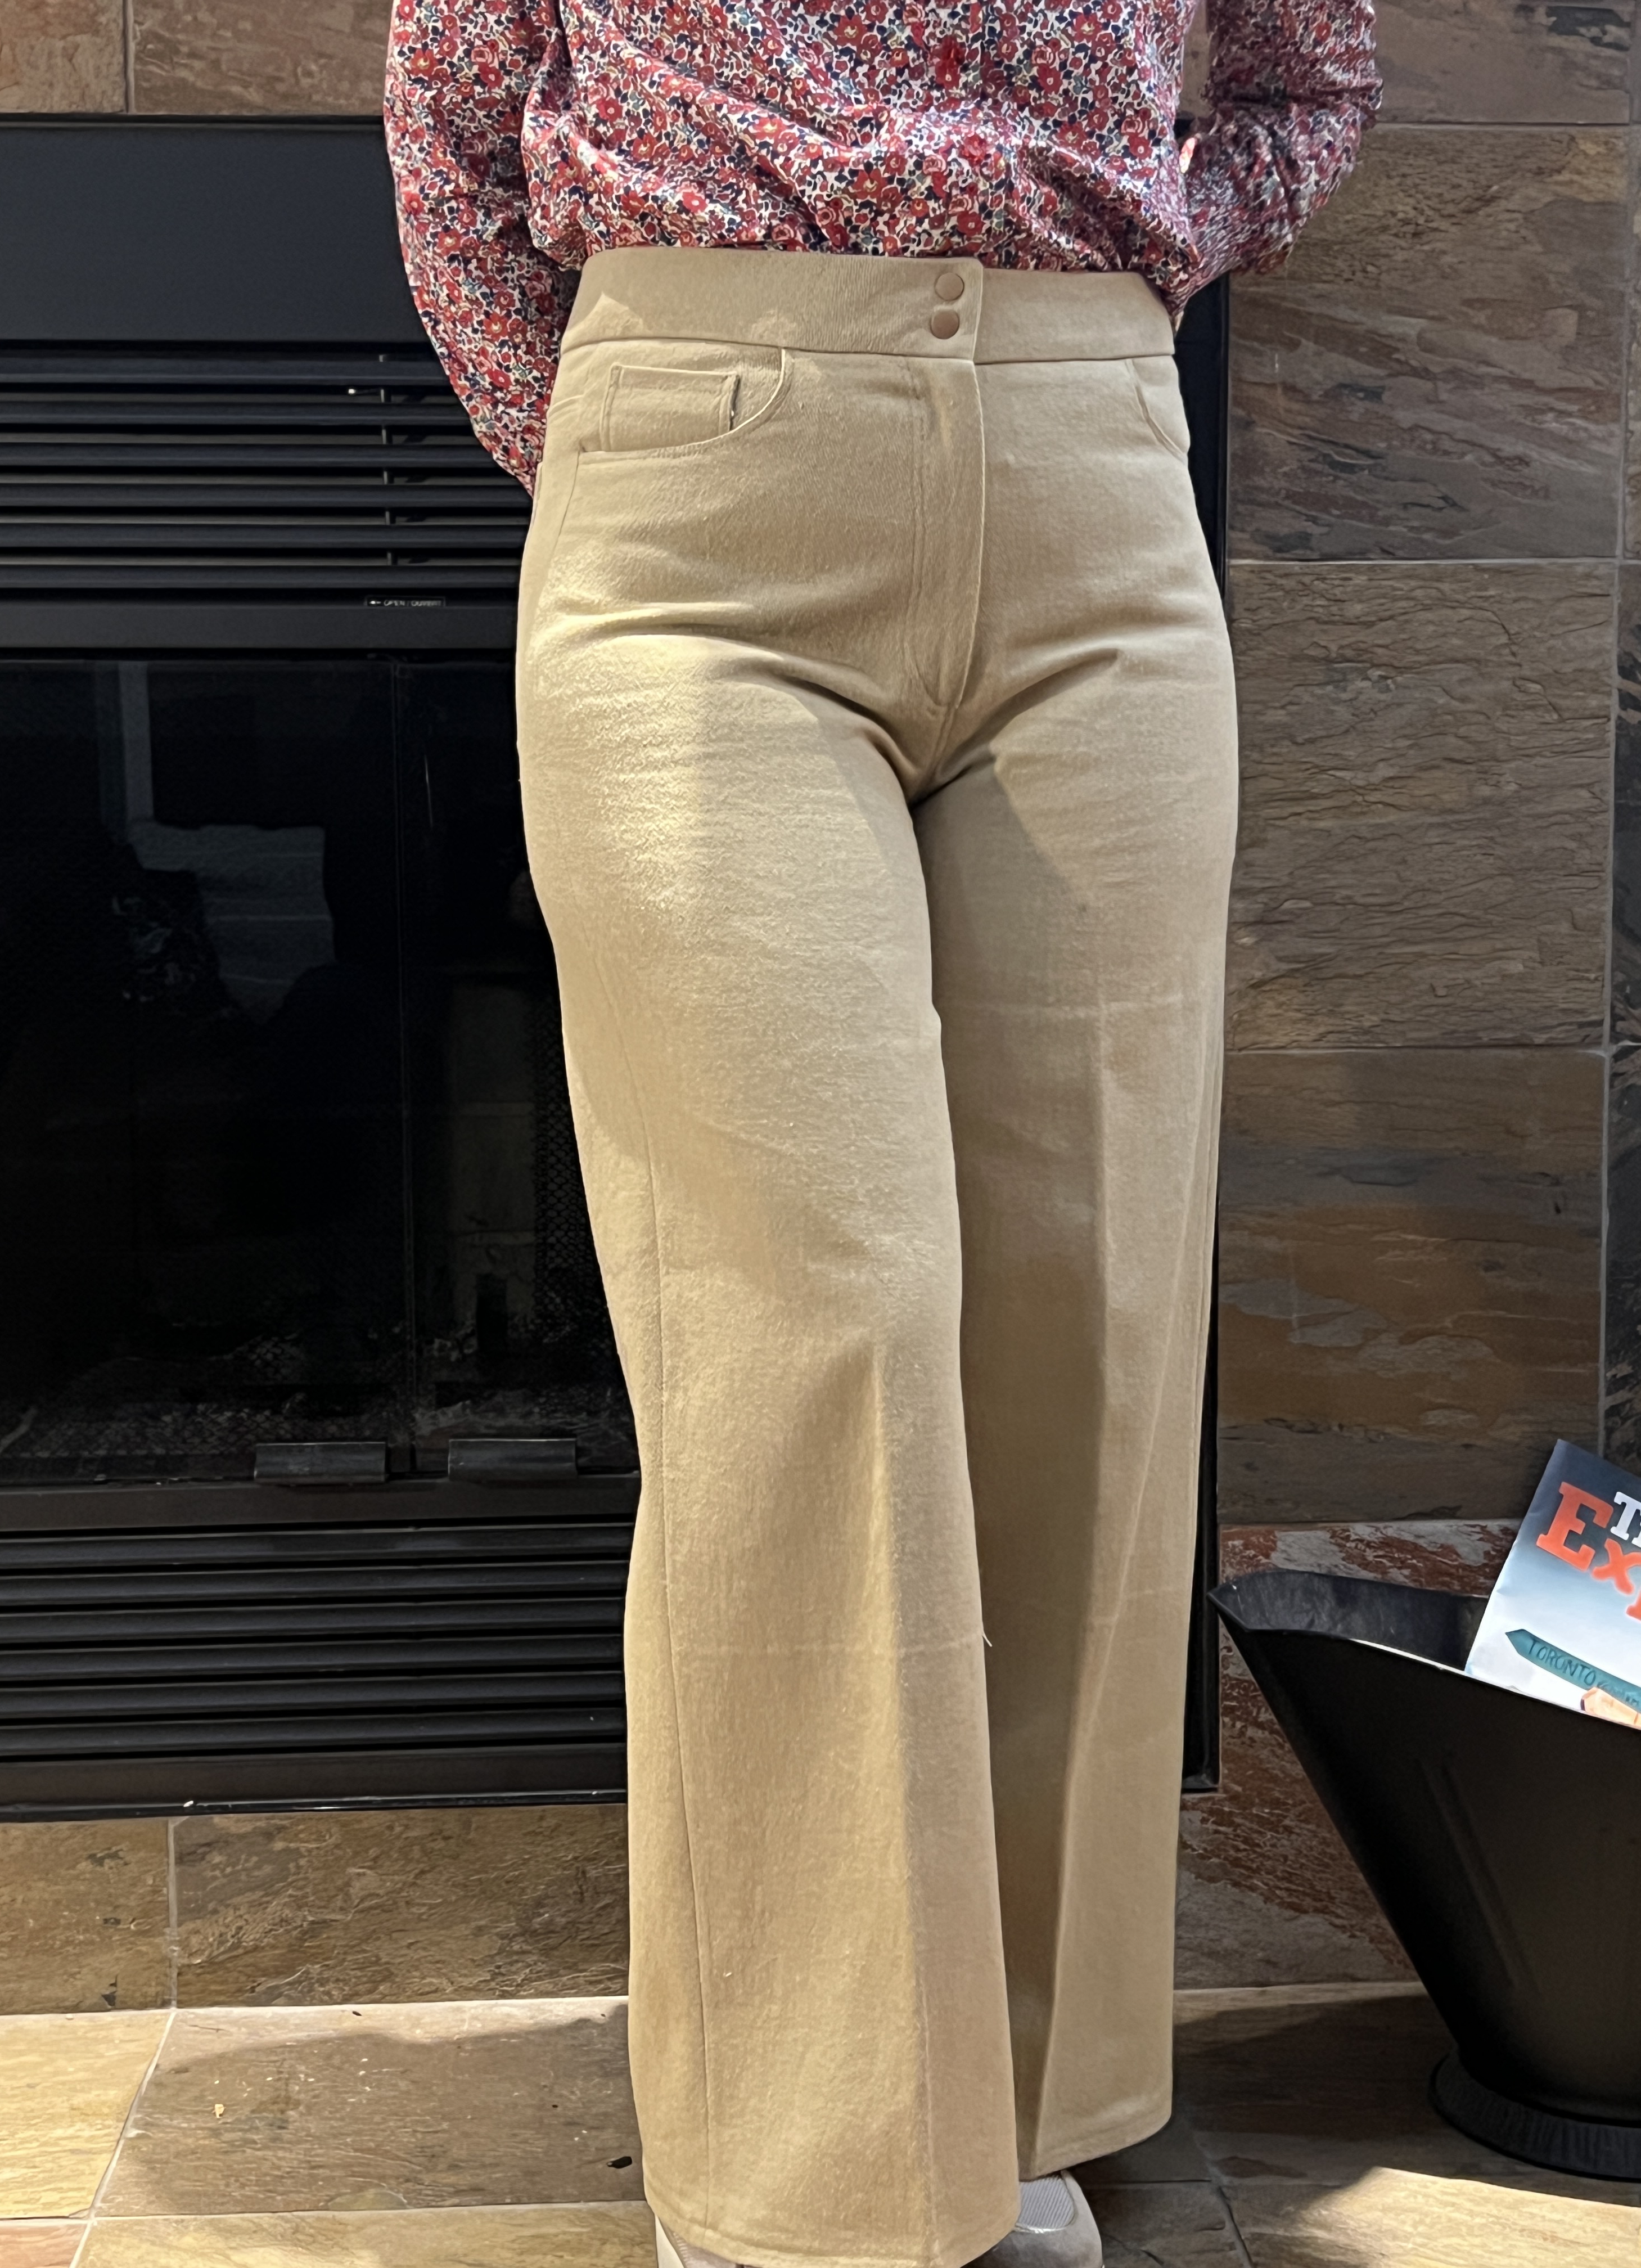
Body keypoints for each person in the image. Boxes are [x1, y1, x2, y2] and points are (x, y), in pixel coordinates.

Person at [386, 5, 1378, 2264]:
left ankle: (997, 2089)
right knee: (815, 1328)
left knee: (1079, 1330)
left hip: (1095, 513)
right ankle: (806, 2158)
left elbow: (1311, 78)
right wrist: (638, 438)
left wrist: (1123, 268)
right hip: (701, 536)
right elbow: (452, 127)